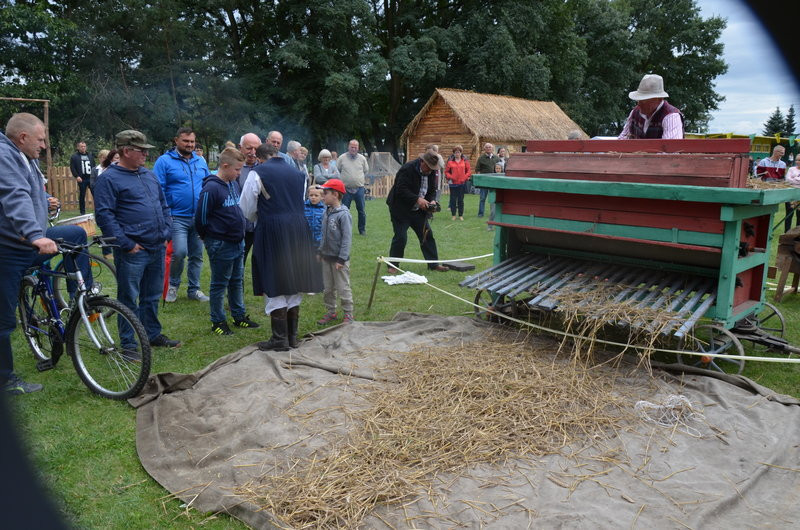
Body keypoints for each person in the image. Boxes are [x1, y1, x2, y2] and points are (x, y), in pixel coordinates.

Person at [0, 113, 92, 394]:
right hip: (10, 249)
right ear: (23, 137)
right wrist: (36, 235)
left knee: (76, 235)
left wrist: (45, 199)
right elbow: (14, 195)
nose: (44, 145)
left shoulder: (27, 157)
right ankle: (5, 379)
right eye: (41, 140)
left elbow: (30, 192)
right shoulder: (4, 155)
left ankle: (83, 296)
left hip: (28, 241)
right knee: (4, 320)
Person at [94, 130, 180, 350]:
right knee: (129, 298)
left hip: (156, 246)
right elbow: (105, 215)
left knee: (151, 296)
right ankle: (129, 344)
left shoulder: (148, 175)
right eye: (141, 150)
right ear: (126, 151)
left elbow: (164, 205)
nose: (145, 154)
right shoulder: (109, 179)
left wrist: (166, 232)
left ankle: (152, 334)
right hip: (134, 250)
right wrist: (127, 244)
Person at [240, 144, 322, 351]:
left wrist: (263, 217)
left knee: (274, 276)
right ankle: (291, 337)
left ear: (259, 158)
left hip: (272, 228)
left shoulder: (258, 172)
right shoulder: (298, 173)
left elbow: (247, 207)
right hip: (298, 227)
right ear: (276, 154)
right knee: (293, 276)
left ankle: (279, 339)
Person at [194, 147, 259, 336]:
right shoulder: (211, 187)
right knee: (219, 283)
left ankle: (238, 316)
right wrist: (209, 237)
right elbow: (201, 217)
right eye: (237, 169)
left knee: (236, 280)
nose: (240, 173)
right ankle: (218, 321)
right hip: (220, 243)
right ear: (225, 165)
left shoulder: (233, 183)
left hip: (237, 241)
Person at [153, 126, 211, 303]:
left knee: (197, 255)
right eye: (186, 141)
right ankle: (173, 285)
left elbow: (208, 184)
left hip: (198, 217)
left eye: (192, 141)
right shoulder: (164, 161)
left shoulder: (200, 161)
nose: (190, 144)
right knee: (179, 252)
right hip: (176, 217)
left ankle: (194, 289)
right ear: (176, 140)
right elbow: (158, 189)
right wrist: (165, 214)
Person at [386, 151, 448, 274]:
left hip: (419, 211)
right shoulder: (407, 169)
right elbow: (401, 189)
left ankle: (433, 264)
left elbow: (432, 190)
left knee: (427, 235)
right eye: (429, 167)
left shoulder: (432, 172)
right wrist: (417, 200)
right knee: (401, 237)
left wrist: (432, 201)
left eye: (432, 168)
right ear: (422, 162)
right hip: (400, 209)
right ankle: (393, 265)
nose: (430, 171)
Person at [315, 179, 354, 325]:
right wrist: (320, 251)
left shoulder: (343, 215)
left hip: (339, 260)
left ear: (336, 195)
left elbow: (347, 239)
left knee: (343, 287)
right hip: (327, 258)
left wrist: (342, 259)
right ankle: (331, 312)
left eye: (325, 193)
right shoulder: (327, 211)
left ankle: (348, 313)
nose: (322, 196)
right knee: (328, 288)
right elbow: (324, 235)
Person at [618, 74, 684, 140]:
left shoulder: (671, 116)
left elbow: (670, 148)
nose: (639, 104)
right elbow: (622, 139)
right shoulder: (634, 113)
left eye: (644, 100)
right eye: (639, 99)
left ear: (659, 99)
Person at [237, 132, 262, 265]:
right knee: (239, 261)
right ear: (240, 147)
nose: (253, 152)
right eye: (249, 148)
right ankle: (237, 286)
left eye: (256, 149)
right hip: (240, 225)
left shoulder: (264, 168)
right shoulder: (235, 168)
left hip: (260, 224)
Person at [337, 139, 370, 236]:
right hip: (345, 189)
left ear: (358, 148)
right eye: (352, 147)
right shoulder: (342, 158)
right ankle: (344, 230)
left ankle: (362, 230)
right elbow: (338, 169)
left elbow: (366, 170)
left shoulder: (362, 158)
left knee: (361, 210)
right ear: (348, 147)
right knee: (344, 211)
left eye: (355, 147)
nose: (354, 149)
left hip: (359, 188)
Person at [473, 142, 500, 218]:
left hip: (493, 182)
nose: (488, 148)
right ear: (484, 149)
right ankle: (480, 214)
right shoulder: (481, 158)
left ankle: (493, 214)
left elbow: (500, 169)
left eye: (490, 147)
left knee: (493, 199)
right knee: (482, 198)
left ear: (492, 149)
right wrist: (479, 180)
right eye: (487, 147)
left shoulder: (496, 158)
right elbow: (477, 170)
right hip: (484, 182)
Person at [445, 145, 471, 221]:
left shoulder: (465, 161)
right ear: (453, 153)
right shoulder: (450, 162)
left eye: (459, 152)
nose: (457, 154)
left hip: (462, 183)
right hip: (453, 184)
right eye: (456, 152)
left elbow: (469, 171)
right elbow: (446, 172)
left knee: (460, 200)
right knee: (453, 199)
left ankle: (460, 215)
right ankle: (453, 215)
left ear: (461, 153)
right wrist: (451, 177)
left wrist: (464, 177)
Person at [69, 140, 95, 215]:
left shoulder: (90, 155)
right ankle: (82, 212)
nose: (83, 148)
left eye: (84, 146)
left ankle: (98, 209)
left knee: (95, 194)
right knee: (82, 195)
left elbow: (93, 165)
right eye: (81, 146)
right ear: (78, 147)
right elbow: (72, 167)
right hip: (82, 179)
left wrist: (94, 176)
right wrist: (76, 176)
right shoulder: (74, 157)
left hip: (90, 178)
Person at [785, 157, 800, 231]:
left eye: (799, 160)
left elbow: (792, 180)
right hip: (790, 194)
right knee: (789, 214)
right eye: (797, 160)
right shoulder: (791, 169)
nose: (797, 161)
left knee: (799, 216)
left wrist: (794, 179)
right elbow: (788, 180)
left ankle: (797, 234)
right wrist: (797, 180)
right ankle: (786, 233)